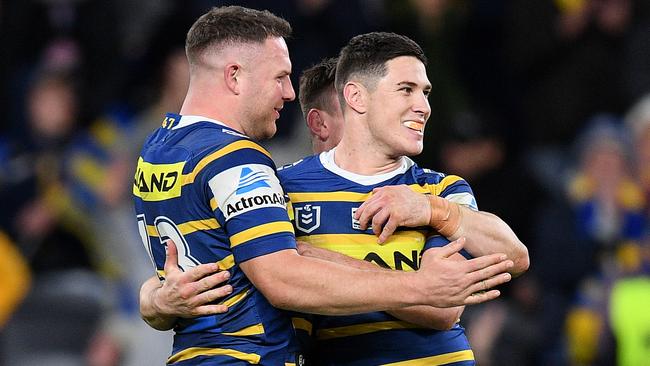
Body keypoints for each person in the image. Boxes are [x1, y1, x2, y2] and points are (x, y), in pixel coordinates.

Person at [133, 6, 515, 365]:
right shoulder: (251, 168)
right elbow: (280, 275)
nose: (288, 92)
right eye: (280, 77)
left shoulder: (156, 151)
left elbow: (208, 261)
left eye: (425, 92)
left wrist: (154, 300)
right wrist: (421, 286)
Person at [277, 32, 528, 365]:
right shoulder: (285, 187)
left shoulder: (439, 191)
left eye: (425, 93)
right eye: (406, 90)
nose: (423, 107)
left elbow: (444, 307)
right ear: (356, 98)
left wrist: (430, 210)